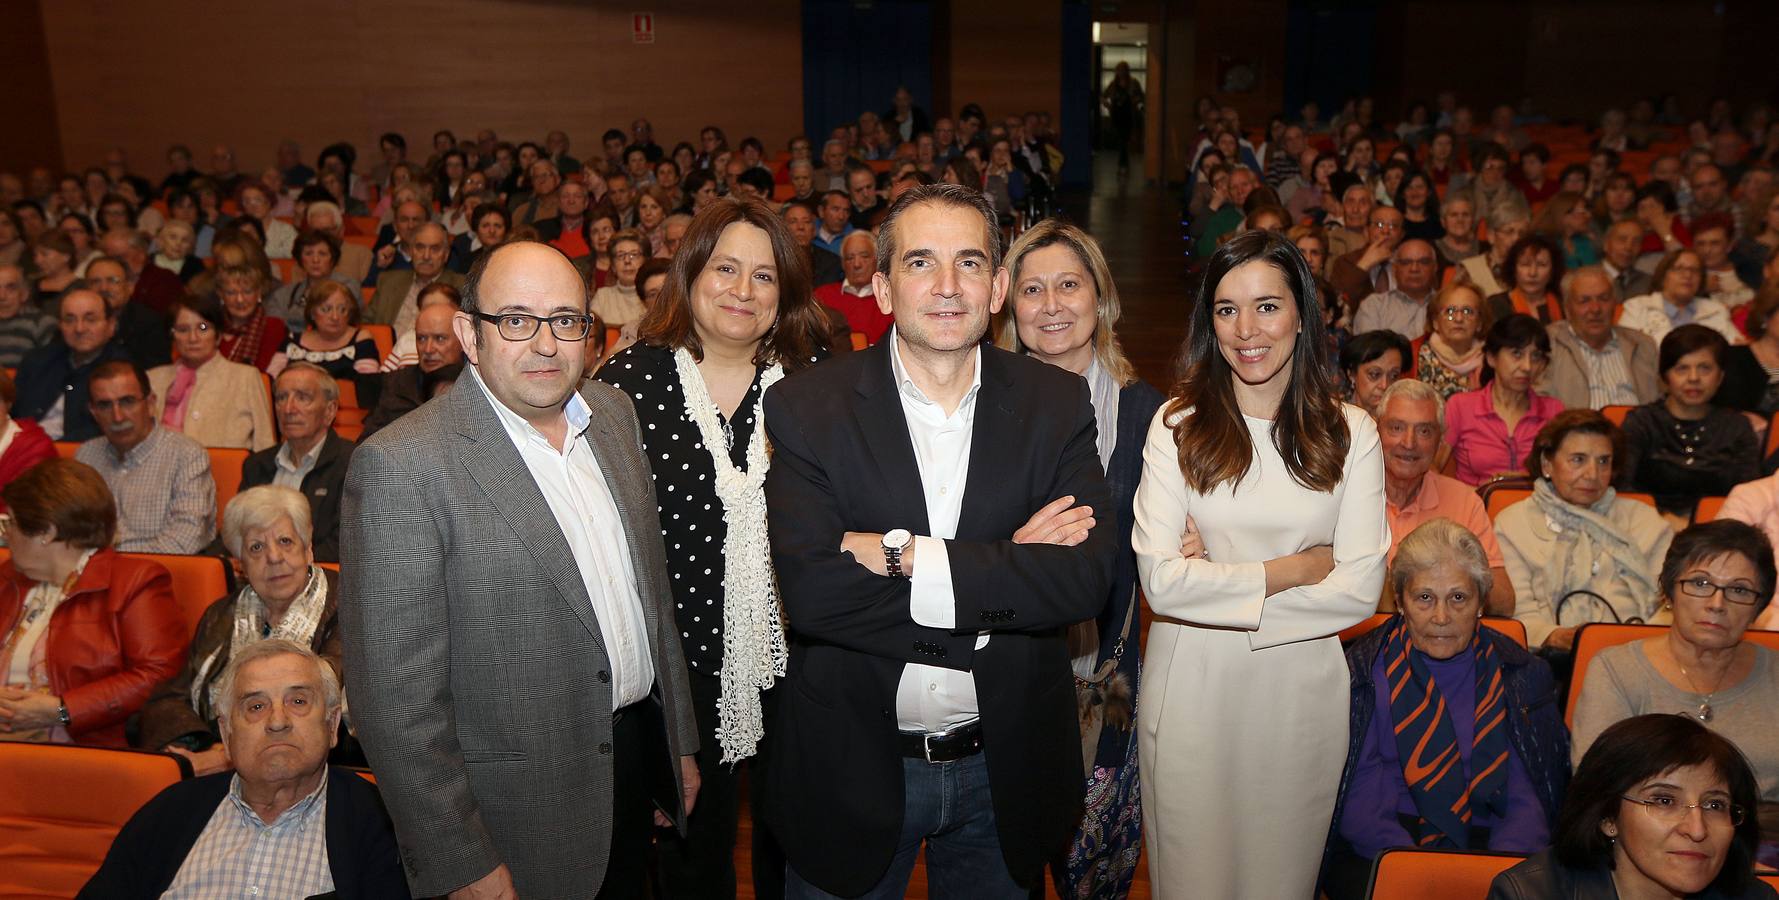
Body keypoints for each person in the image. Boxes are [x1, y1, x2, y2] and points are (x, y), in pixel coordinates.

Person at [761, 184, 1116, 897]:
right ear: (884, 287)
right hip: (852, 763)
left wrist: (905, 556)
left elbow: (1081, 581)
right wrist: (1006, 580)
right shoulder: (807, 406)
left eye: (969, 263)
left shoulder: (1054, 402)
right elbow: (814, 592)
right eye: (921, 263)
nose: (948, 287)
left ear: (997, 288)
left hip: (1005, 768)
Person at [340, 240, 699, 898]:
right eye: (515, 320)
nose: (544, 344)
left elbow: (652, 600)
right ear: (467, 336)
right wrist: (458, 858)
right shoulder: (403, 466)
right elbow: (395, 704)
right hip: (510, 819)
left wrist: (674, 747)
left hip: (629, 769)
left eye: (565, 319)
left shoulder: (613, 416)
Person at [1132, 229, 1388, 896]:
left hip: (1299, 690)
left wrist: (1216, 583)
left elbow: (1360, 591)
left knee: (1281, 882)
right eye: (1225, 309)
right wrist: (1292, 570)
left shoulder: (1350, 432)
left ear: (1302, 314)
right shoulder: (1176, 426)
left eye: (1266, 306)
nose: (1246, 329)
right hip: (1191, 686)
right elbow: (1160, 583)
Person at [594, 196, 828, 898]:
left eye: (763, 275)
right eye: (726, 268)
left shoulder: (819, 381)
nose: (743, 290)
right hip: (677, 663)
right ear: (691, 273)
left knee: (800, 844)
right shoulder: (627, 383)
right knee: (692, 852)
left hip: (801, 652)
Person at [992, 218, 1164, 897]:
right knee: (1000, 869)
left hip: (1103, 683)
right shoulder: (974, 412)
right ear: (1009, 306)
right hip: (999, 683)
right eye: (1032, 289)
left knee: (1091, 879)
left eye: (1069, 284)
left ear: (1102, 299)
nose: (1052, 304)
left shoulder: (1148, 416)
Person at [1323, 520, 1565, 898]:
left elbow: (1528, 800)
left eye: (1458, 598)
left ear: (1481, 602)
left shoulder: (1521, 675)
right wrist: (1419, 870)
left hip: (1493, 846)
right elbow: (1360, 803)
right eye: (1424, 598)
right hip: (1386, 847)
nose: (1440, 617)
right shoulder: (1362, 674)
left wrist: (1499, 874)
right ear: (1399, 601)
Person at [83, 640, 409, 898]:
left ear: (333, 723)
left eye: (298, 701)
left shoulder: (383, 824)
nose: (277, 721)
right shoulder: (169, 815)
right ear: (226, 734)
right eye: (255, 706)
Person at [1572, 521, 1779, 818]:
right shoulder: (1617, 670)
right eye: (1700, 584)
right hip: (1648, 846)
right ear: (1669, 592)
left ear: (1759, 607)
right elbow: (1597, 789)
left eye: (1739, 589)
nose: (1716, 604)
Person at [133, 486, 344, 772]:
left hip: (317, 770)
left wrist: (229, 757)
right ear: (240, 564)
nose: (273, 557)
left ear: (308, 550)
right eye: (256, 547)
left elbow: (323, 705)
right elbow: (169, 699)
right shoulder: (221, 615)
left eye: (285, 542)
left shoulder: (347, 607)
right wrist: (210, 748)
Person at [1488, 714, 1775, 900]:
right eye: (1664, 801)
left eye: (1715, 804)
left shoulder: (1754, 898)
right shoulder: (1529, 895)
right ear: (1608, 817)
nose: (1697, 830)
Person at [0, 457, 185, 746]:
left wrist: (63, 709)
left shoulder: (135, 581)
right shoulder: (8, 578)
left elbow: (158, 675)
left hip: (81, 746)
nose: (5, 534)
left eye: (11, 523)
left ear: (46, 533)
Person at [1495, 410, 1674, 652]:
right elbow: (1516, 614)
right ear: (1547, 464)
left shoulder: (1645, 522)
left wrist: (1639, 645)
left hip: (1639, 654)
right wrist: (1555, 637)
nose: (1592, 474)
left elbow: (1669, 608)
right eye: (1578, 459)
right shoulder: (1513, 523)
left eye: (1603, 461)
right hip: (1549, 659)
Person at [1375, 380, 1515, 614]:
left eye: (1424, 431)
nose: (1409, 443)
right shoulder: (1345, 495)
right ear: (1376, 430)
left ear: (1441, 441)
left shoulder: (1464, 501)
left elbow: (1503, 603)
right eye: (1396, 428)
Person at [1619, 325, 1760, 522]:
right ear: (1664, 377)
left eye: (1705, 368)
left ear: (1720, 376)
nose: (1693, 378)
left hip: (1720, 530)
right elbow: (1622, 487)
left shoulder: (1736, 427)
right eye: (1682, 368)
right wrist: (1663, 520)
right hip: (1647, 525)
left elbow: (1750, 494)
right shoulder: (1642, 422)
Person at [76, 360, 217, 554]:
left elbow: (186, 538)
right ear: (94, 412)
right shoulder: (86, 456)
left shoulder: (186, 456)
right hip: (91, 574)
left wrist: (116, 565)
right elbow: (69, 530)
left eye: (127, 402)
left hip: (159, 575)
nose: (117, 417)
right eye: (105, 405)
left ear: (150, 404)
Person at [239, 364, 354, 563]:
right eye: (281, 398)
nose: (289, 409)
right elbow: (238, 530)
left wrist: (285, 563)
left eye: (302, 397)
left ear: (330, 410)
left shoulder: (352, 463)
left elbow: (346, 543)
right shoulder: (257, 465)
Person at [1443, 314, 1564, 485]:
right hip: (1476, 506)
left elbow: (1564, 475)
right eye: (1517, 354)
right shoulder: (1460, 406)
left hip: (1536, 507)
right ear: (1491, 358)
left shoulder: (1553, 411)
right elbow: (1431, 467)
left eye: (1536, 356)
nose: (1527, 367)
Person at [148, 296, 276, 451]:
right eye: (182, 330)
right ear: (172, 337)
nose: (192, 338)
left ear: (218, 335)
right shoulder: (152, 379)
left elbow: (265, 443)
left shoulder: (245, 378)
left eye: (203, 328)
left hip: (224, 472)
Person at [12, 288, 128, 441]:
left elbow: (114, 427)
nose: (79, 329)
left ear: (111, 325)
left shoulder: (122, 371)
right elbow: (10, 412)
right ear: (60, 325)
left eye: (90, 320)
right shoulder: (37, 361)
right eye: (70, 320)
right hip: (20, 449)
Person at [1542, 266, 1663, 410]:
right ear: (1567, 309)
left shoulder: (1643, 345)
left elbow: (1661, 404)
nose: (1595, 309)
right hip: (1575, 429)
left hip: (1636, 429)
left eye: (1603, 299)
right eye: (1584, 301)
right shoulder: (1548, 344)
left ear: (1615, 304)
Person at [361, 294, 462, 438]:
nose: (428, 349)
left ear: (462, 340)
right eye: (421, 338)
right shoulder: (396, 382)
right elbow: (368, 441)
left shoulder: (478, 383)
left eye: (439, 339)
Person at [1623, 248, 1743, 346]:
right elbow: (1626, 353)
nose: (1687, 275)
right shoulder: (1636, 308)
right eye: (1679, 269)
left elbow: (1739, 348)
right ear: (1663, 276)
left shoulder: (1716, 310)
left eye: (1694, 270)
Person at [83, 254, 170, 370]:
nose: (103, 288)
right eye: (95, 282)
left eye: (113, 281)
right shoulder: (76, 320)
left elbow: (156, 372)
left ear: (130, 286)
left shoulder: (149, 323)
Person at [267, 230, 361, 332]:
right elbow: (274, 327)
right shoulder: (283, 294)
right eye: (308, 253)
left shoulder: (348, 287)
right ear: (300, 259)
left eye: (322, 254)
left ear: (333, 259)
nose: (315, 260)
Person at [812, 230, 892, 346]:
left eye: (864, 256)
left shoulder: (890, 298)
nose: (857, 264)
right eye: (850, 258)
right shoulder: (822, 296)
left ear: (877, 260)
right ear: (842, 264)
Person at [1351, 237, 1439, 340]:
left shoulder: (1447, 305)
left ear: (1435, 267)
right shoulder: (1374, 306)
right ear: (1394, 269)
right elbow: (1369, 352)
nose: (1414, 269)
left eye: (1423, 262)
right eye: (1406, 262)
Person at [1412, 283, 1489, 399]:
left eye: (1467, 311)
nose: (1459, 319)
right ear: (1435, 322)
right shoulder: (1414, 354)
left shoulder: (1492, 360)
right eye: (1450, 311)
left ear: (1479, 323)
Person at [212, 264, 288, 372]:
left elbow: (262, 371)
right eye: (231, 293)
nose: (240, 300)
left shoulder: (273, 326)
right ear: (220, 295)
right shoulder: (211, 325)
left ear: (258, 293)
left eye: (247, 292)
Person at [1486, 235, 1566, 325]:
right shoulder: (1496, 305)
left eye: (1541, 265)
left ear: (1553, 271)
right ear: (1513, 268)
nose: (1532, 273)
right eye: (1525, 264)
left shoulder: (1564, 303)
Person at [1341, 329, 1410, 417]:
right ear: (1351, 374)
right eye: (1374, 375)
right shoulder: (1336, 417)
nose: (1384, 385)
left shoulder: (1406, 415)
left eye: (1394, 376)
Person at [591, 228, 648, 328]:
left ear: (645, 260)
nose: (627, 261)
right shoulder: (602, 297)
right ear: (613, 265)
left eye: (633, 255)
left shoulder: (654, 295)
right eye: (621, 255)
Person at [0, 264, 55, 367]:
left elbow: (51, 368)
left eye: (11, 288)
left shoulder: (41, 323)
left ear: (24, 293)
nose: (2, 296)